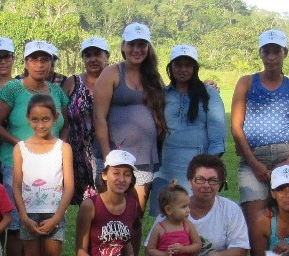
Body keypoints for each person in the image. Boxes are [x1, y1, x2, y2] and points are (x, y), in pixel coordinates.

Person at [0, 40, 70, 256]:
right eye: (34, 59)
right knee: (16, 227)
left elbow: (65, 124)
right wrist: (23, 147)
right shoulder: (12, 89)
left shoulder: (56, 91)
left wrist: (58, 148)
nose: (40, 64)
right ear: (25, 62)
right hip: (17, 164)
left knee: (47, 221)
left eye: (45, 59)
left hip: (51, 165)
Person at [11, 94, 74, 256]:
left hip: (53, 214)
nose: (41, 124)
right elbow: (17, 185)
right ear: (28, 119)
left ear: (55, 118)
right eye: (35, 119)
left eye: (46, 119)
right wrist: (24, 217)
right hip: (29, 215)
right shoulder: (21, 149)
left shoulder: (63, 148)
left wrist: (57, 217)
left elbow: (69, 186)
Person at [231, 29, 289, 221]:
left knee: (286, 217)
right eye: (267, 51)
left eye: (276, 51)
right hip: (253, 155)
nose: (271, 57)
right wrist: (254, 164)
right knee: (255, 219)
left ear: (285, 53)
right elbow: (236, 127)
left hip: (286, 154)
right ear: (260, 53)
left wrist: (288, 164)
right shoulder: (247, 83)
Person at [93, 22, 167, 213]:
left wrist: (208, 85)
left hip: (143, 156)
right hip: (114, 155)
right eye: (132, 44)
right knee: (109, 213)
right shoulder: (112, 73)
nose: (136, 49)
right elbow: (99, 117)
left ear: (148, 47)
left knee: (135, 215)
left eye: (141, 45)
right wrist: (108, 158)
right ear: (123, 46)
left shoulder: (153, 77)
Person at [149, 43, 226, 213]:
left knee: (194, 215)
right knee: (166, 216)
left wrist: (204, 172)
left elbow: (217, 137)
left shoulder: (208, 94)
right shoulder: (163, 94)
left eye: (188, 65)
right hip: (166, 166)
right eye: (178, 64)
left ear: (195, 68)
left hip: (197, 167)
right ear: (170, 67)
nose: (183, 69)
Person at [61, 36, 110, 204]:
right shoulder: (73, 82)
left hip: (105, 151)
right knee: (83, 204)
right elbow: (63, 120)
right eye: (88, 55)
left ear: (107, 56)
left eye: (97, 54)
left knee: (106, 201)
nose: (92, 59)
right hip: (77, 154)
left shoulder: (114, 80)